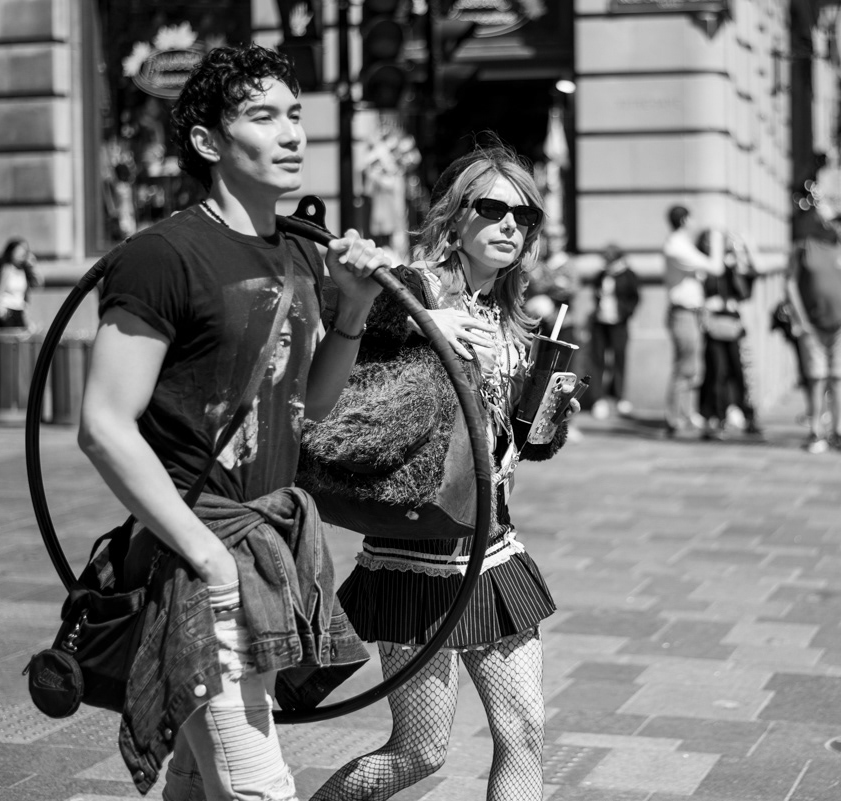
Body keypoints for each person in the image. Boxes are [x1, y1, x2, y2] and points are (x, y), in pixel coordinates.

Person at [77, 45, 390, 800]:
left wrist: (352, 310)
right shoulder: (162, 256)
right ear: (208, 141)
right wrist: (207, 557)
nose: (291, 133)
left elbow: (309, 407)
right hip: (196, 559)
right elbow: (104, 423)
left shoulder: (300, 255)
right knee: (259, 787)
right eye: (262, 116)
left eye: (294, 114)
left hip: (266, 554)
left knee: (200, 781)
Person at [309, 144, 578, 801]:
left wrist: (548, 419)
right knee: (419, 752)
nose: (511, 225)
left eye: (525, 216)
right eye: (493, 209)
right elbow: (347, 307)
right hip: (415, 557)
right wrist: (429, 319)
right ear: (456, 219)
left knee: (524, 733)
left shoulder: (511, 315)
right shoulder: (420, 284)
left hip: (493, 549)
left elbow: (509, 448)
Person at [785, 198, 841, 453]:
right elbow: (791, 283)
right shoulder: (804, 247)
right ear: (823, 221)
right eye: (838, 219)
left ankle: (839, 432)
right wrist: (801, 319)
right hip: (813, 326)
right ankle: (816, 431)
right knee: (816, 378)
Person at [662, 205, 723, 435]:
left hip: (692, 313)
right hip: (683, 313)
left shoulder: (683, 244)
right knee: (684, 366)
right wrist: (716, 240)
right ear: (684, 220)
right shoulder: (675, 246)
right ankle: (674, 418)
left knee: (692, 367)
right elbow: (715, 267)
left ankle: (685, 414)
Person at [696, 229, 762, 438]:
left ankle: (746, 414)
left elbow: (746, 288)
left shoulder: (732, 266)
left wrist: (743, 253)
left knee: (740, 372)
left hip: (733, 325)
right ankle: (715, 417)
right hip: (714, 326)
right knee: (717, 372)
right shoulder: (705, 266)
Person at [588, 243, 641, 419]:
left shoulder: (628, 275)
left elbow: (635, 297)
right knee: (598, 360)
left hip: (619, 323)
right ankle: (598, 399)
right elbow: (595, 293)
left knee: (619, 358)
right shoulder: (601, 275)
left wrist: (626, 312)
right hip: (600, 322)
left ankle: (619, 397)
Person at [0, 237, 42, 329]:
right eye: (19, 251)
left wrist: (33, 266)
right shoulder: (6, 269)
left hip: (20, 311)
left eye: (24, 251)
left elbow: (38, 284)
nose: (22, 254)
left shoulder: (24, 270)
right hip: (6, 311)